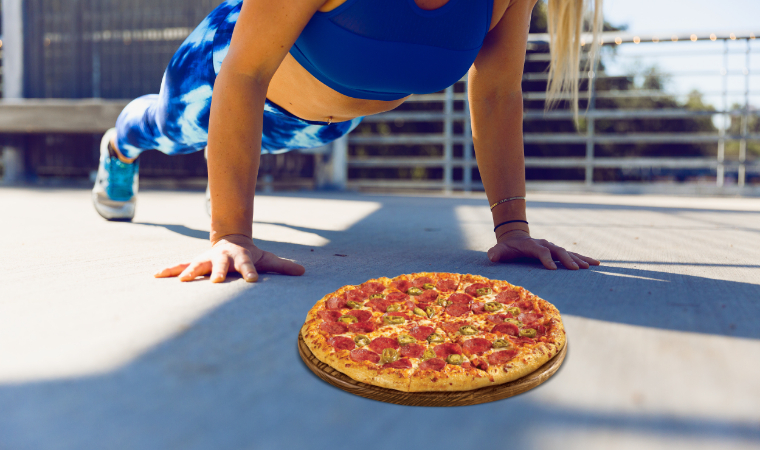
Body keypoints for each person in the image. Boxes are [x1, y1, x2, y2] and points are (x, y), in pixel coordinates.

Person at [92, 0, 602, 283]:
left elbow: (495, 93)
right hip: (219, 76)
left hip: (321, 125)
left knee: (248, 149)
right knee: (164, 128)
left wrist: (512, 227)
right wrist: (232, 235)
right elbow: (244, 73)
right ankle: (118, 148)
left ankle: (224, 175)